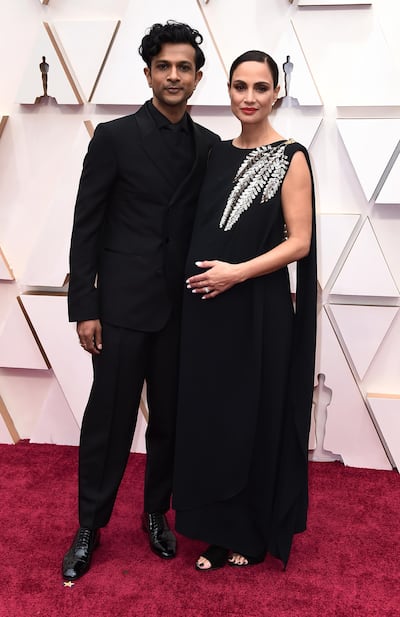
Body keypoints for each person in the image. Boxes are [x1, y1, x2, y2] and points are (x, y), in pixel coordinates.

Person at [62, 21, 219, 582]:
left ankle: (157, 513)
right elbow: (86, 226)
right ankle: (89, 525)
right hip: (123, 308)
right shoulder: (114, 137)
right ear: (149, 72)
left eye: (184, 67)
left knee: (171, 424)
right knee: (108, 422)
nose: (173, 75)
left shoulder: (211, 148)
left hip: (185, 312)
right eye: (163, 66)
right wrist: (85, 305)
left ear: (197, 78)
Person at [173, 50, 317, 571]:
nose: (249, 98)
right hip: (209, 312)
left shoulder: (292, 155)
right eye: (240, 87)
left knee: (255, 415)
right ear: (228, 91)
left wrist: (237, 272)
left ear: (276, 91)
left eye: (260, 87)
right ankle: (215, 529)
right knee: (213, 417)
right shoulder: (214, 154)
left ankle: (251, 531)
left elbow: (299, 242)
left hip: (259, 309)